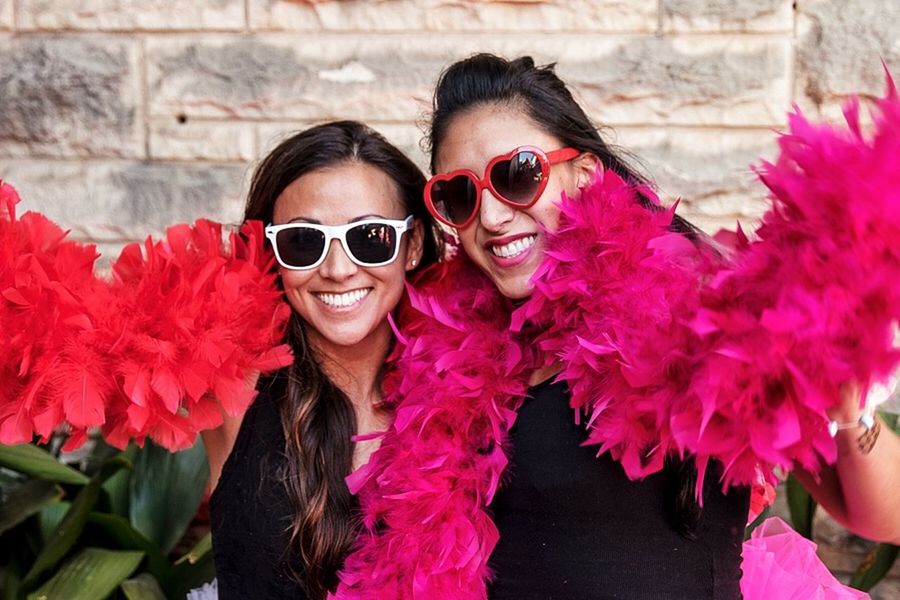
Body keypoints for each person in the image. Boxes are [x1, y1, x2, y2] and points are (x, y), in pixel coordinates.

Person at [333, 55, 900, 599]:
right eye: (459, 194)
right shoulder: (442, 344)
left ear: (583, 175)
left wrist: (848, 408)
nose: (492, 216)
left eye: (518, 174)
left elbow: (879, 515)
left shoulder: (703, 312)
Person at [204, 121, 440, 600]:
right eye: (303, 242)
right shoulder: (228, 385)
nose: (336, 269)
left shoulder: (467, 395)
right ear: (270, 252)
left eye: (370, 237)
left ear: (411, 246)